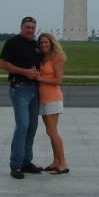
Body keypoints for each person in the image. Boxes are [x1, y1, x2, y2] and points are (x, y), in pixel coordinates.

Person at [0, 16, 43, 179]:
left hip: (35, 90)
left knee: (32, 126)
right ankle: (15, 165)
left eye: (32, 27)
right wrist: (24, 72)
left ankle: (26, 162)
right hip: (20, 89)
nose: (30, 30)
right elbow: (2, 64)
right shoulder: (12, 43)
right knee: (23, 125)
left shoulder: (36, 45)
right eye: (27, 27)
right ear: (21, 27)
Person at [36, 33, 69, 175]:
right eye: (41, 43)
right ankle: (55, 161)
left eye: (46, 43)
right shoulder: (42, 58)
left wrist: (39, 78)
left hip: (53, 98)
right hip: (42, 98)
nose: (44, 45)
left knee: (52, 131)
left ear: (52, 43)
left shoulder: (57, 58)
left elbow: (58, 80)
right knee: (50, 131)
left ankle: (63, 164)